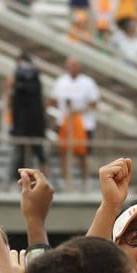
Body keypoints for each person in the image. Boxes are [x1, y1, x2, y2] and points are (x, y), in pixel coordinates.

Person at [50, 56, 99, 190]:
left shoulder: (88, 83)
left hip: (83, 123)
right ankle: (66, 181)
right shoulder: (61, 82)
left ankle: (85, 181)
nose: (73, 68)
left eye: (75, 65)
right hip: (65, 121)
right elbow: (52, 100)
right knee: (64, 152)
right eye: (70, 65)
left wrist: (78, 110)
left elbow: (94, 103)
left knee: (82, 154)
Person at [6, 50, 46, 178]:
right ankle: (21, 182)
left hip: (34, 122)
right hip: (22, 122)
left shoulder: (35, 81)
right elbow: (10, 101)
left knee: (39, 153)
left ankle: (44, 181)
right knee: (21, 154)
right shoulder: (16, 82)